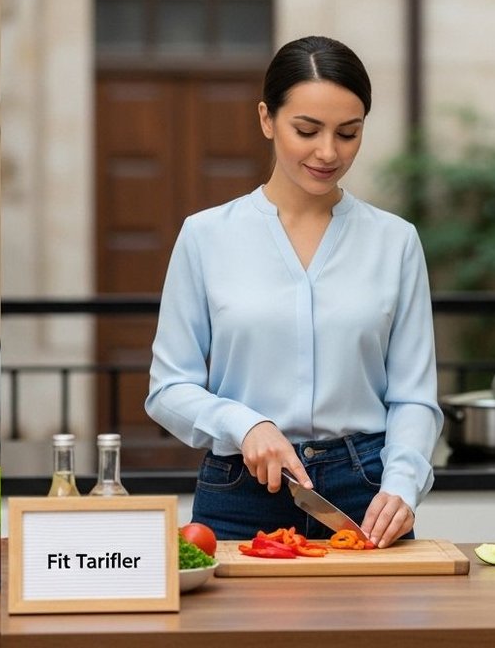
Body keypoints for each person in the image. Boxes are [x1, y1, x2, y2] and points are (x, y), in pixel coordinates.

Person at [145, 35, 441, 548]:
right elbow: (168, 388)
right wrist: (243, 424)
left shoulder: (395, 241)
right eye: (307, 130)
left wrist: (403, 484)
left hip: (366, 495)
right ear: (267, 119)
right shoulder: (206, 236)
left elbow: (414, 394)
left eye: (348, 133)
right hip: (239, 490)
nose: (328, 152)